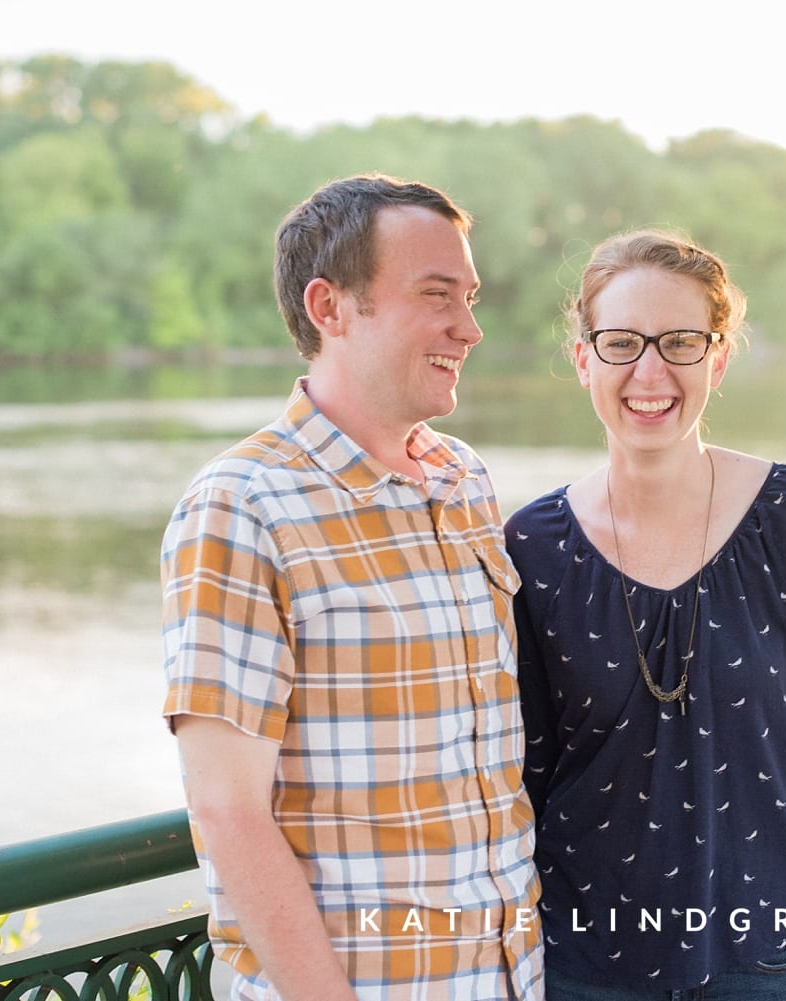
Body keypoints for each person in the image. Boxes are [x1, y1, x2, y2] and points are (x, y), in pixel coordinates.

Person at [160, 173, 542, 1001]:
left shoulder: (462, 478)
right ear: (331, 308)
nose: (469, 328)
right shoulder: (241, 506)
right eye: (436, 295)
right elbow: (227, 811)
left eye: (470, 297)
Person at [505, 230, 786, 1000]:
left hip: (768, 962)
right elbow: (525, 783)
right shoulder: (530, 544)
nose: (650, 371)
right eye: (621, 343)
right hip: (583, 967)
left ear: (717, 357)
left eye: (680, 342)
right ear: (584, 359)